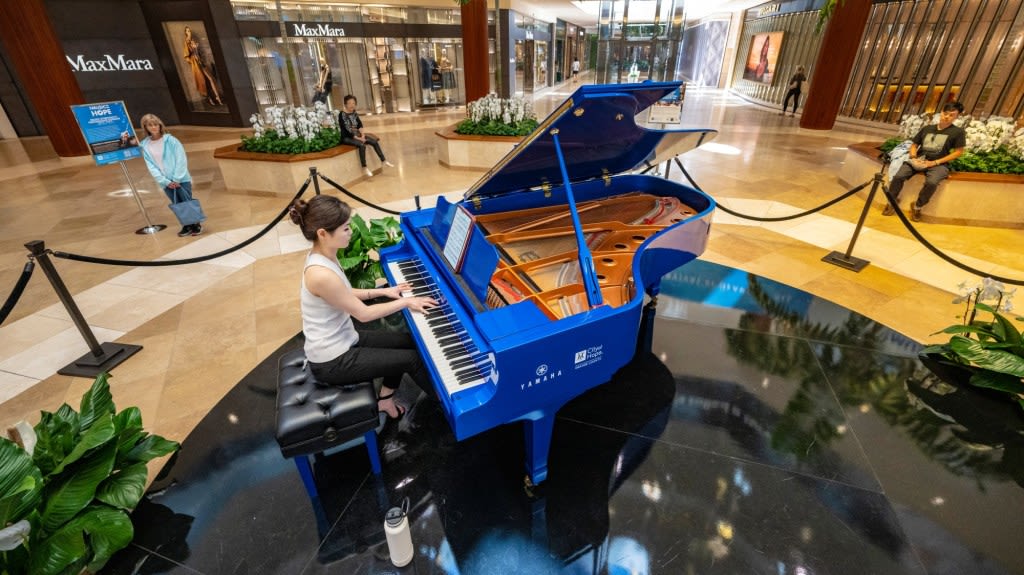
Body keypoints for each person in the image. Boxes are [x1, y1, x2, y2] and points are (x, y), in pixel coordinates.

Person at [289, 195, 436, 420]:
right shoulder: (320, 274)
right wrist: (406, 301)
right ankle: (449, 408)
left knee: (409, 341)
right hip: (331, 360)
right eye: (346, 228)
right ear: (322, 233)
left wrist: (383, 291)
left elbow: (344, 292)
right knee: (412, 359)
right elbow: (364, 314)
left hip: (345, 338)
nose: (350, 232)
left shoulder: (326, 255)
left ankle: (385, 400)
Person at [882, 101, 966, 222]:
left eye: (951, 115)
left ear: (957, 117)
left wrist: (935, 162)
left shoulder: (958, 132)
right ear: (941, 112)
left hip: (938, 164)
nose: (947, 117)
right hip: (919, 160)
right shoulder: (927, 128)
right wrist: (913, 157)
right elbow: (914, 145)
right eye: (945, 113)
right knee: (898, 176)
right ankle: (892, 201)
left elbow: (958, 152)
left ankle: (917, 206)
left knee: (932, 183)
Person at [138, 114, 205, 237]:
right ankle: (186, 225)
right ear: (145, 127)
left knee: (186, 201)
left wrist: (176, 178)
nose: (153, 127)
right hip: (165, 182)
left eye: (155, 124)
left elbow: (181, 159)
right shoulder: (145, 145)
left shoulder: (171, 140)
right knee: (176, 203)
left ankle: (196, 225)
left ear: (160, 125)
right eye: (150, 125)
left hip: (181, 179)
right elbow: (151, 166)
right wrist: (165, 181)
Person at [338, 94, 394, 177]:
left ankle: (383, 161)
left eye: (353, 103)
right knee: (362, 145)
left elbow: (360, 125)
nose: (352, 105)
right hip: (347, 137)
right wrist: (359, 139)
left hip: (358, 135)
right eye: (349, 103)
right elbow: (347, 129)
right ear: (345, 104)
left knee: (374, 141)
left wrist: (363, 135)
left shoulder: (354, 112)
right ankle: (364, 167)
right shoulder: (342, 114)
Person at [183, 26, 222, 107]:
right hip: (196, 64)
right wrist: (193, 60)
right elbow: (186, 56)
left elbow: (198, 52)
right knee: (202, 82)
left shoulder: (193, 41)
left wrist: (196, 48)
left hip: (201, 62)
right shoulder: (186, 42)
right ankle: (210, 99)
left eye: (189, 30)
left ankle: (218, 97)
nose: (189, 32)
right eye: (187, 31)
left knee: (211, 79)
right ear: (186, 33)